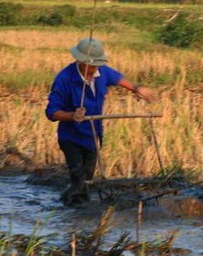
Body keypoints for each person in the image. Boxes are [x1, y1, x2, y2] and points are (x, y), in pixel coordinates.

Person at [46, 37, 158, 206]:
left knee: (87, 179)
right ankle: (76, 215)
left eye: (97, 64)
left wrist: (136, 89)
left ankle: (68, 200)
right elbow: (52, 111)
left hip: (93, 134)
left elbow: (118, 79)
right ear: (80, 61)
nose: (95, 68)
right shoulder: (64, 78)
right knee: (78, 176)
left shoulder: (102, 72)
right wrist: (71, 115)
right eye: (92, 64)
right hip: (71, 137)